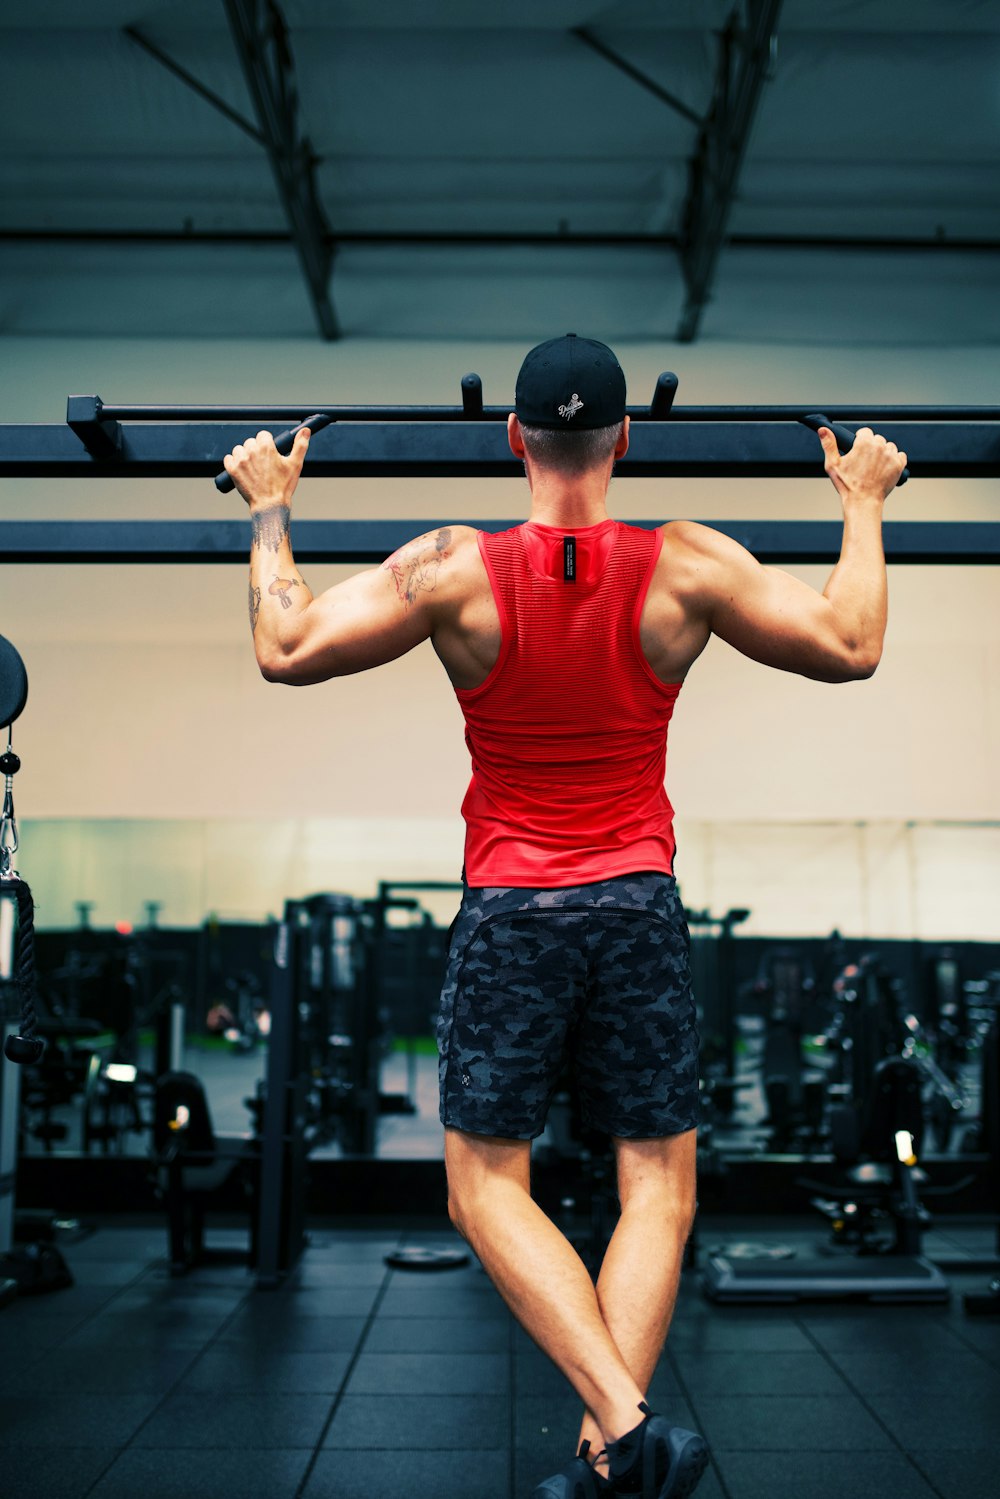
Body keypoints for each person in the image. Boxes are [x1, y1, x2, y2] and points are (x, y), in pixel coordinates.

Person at [223, 335, 907, 1499]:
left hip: (511, 908)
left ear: (515, 439)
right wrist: (862, 503)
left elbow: (283, 645)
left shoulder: (450, 567)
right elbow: (852, 642)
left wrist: (270, 513)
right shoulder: (688, 561)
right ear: (624, 440)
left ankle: (621, 1435)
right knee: (656, 1181)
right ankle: (616, 1453)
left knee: (485, 1182)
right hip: (637, 902)